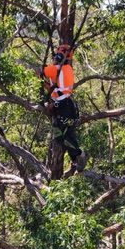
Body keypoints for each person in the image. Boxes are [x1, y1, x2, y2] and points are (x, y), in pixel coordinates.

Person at [42, 43, 87, 175]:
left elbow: (41, 72)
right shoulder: (66, 69)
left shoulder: (57, 69)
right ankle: (74, 159)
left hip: (64, 107)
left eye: (56, 56)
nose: (54, 58)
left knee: (65, 136)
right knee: (62, 135)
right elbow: (54, 88)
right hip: (63, 106)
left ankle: (79, 155)